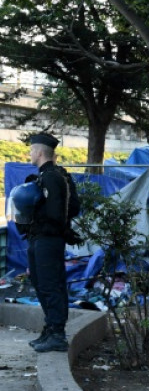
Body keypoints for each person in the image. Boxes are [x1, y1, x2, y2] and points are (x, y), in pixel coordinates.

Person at [26, 132, 80, 353]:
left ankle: (57, 334)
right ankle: (50, 329)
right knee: (42, 284)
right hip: (42, 238)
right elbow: (74, 206)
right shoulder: (58, 175)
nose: (29, 154)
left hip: (48, 239)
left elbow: (57, 213)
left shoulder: (51, 177)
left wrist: (44, 220)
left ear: (39, 152)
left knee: (50, 286)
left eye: (31, 150)